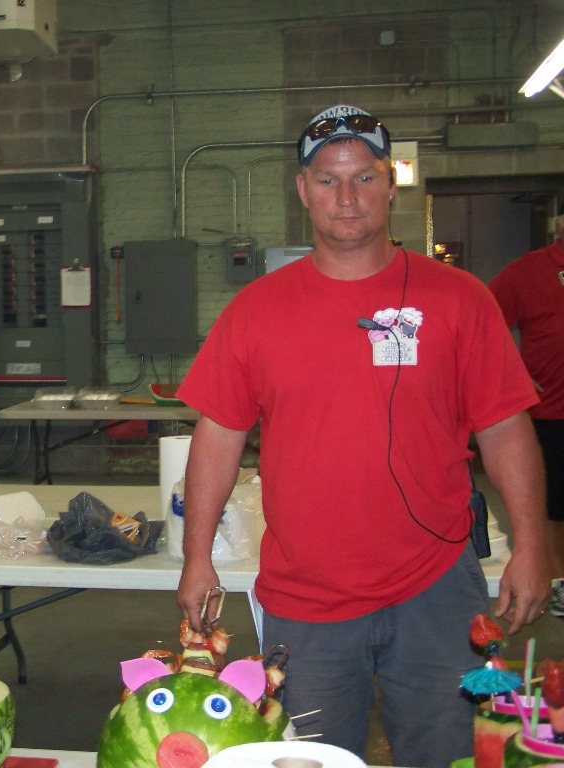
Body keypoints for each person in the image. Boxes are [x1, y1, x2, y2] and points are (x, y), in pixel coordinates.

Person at [175, 105, 552, 767]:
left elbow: (504, 428)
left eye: (365, 177)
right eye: (328, 180)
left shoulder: (460, 299)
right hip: (307, 596)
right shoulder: (256, 311)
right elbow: (219, 435)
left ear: (390, 185)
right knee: (311, 759)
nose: (346, 197)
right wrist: (196, 556)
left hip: (437, 588)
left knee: (446, 755)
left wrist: (532, 545)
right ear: (303, 191)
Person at [489, 207, 564, 619]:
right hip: (552, 414)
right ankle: (558, 584)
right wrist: (512, 371)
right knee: (553, 508)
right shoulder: (528, 272)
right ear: (559, 224)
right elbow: (483, 319)